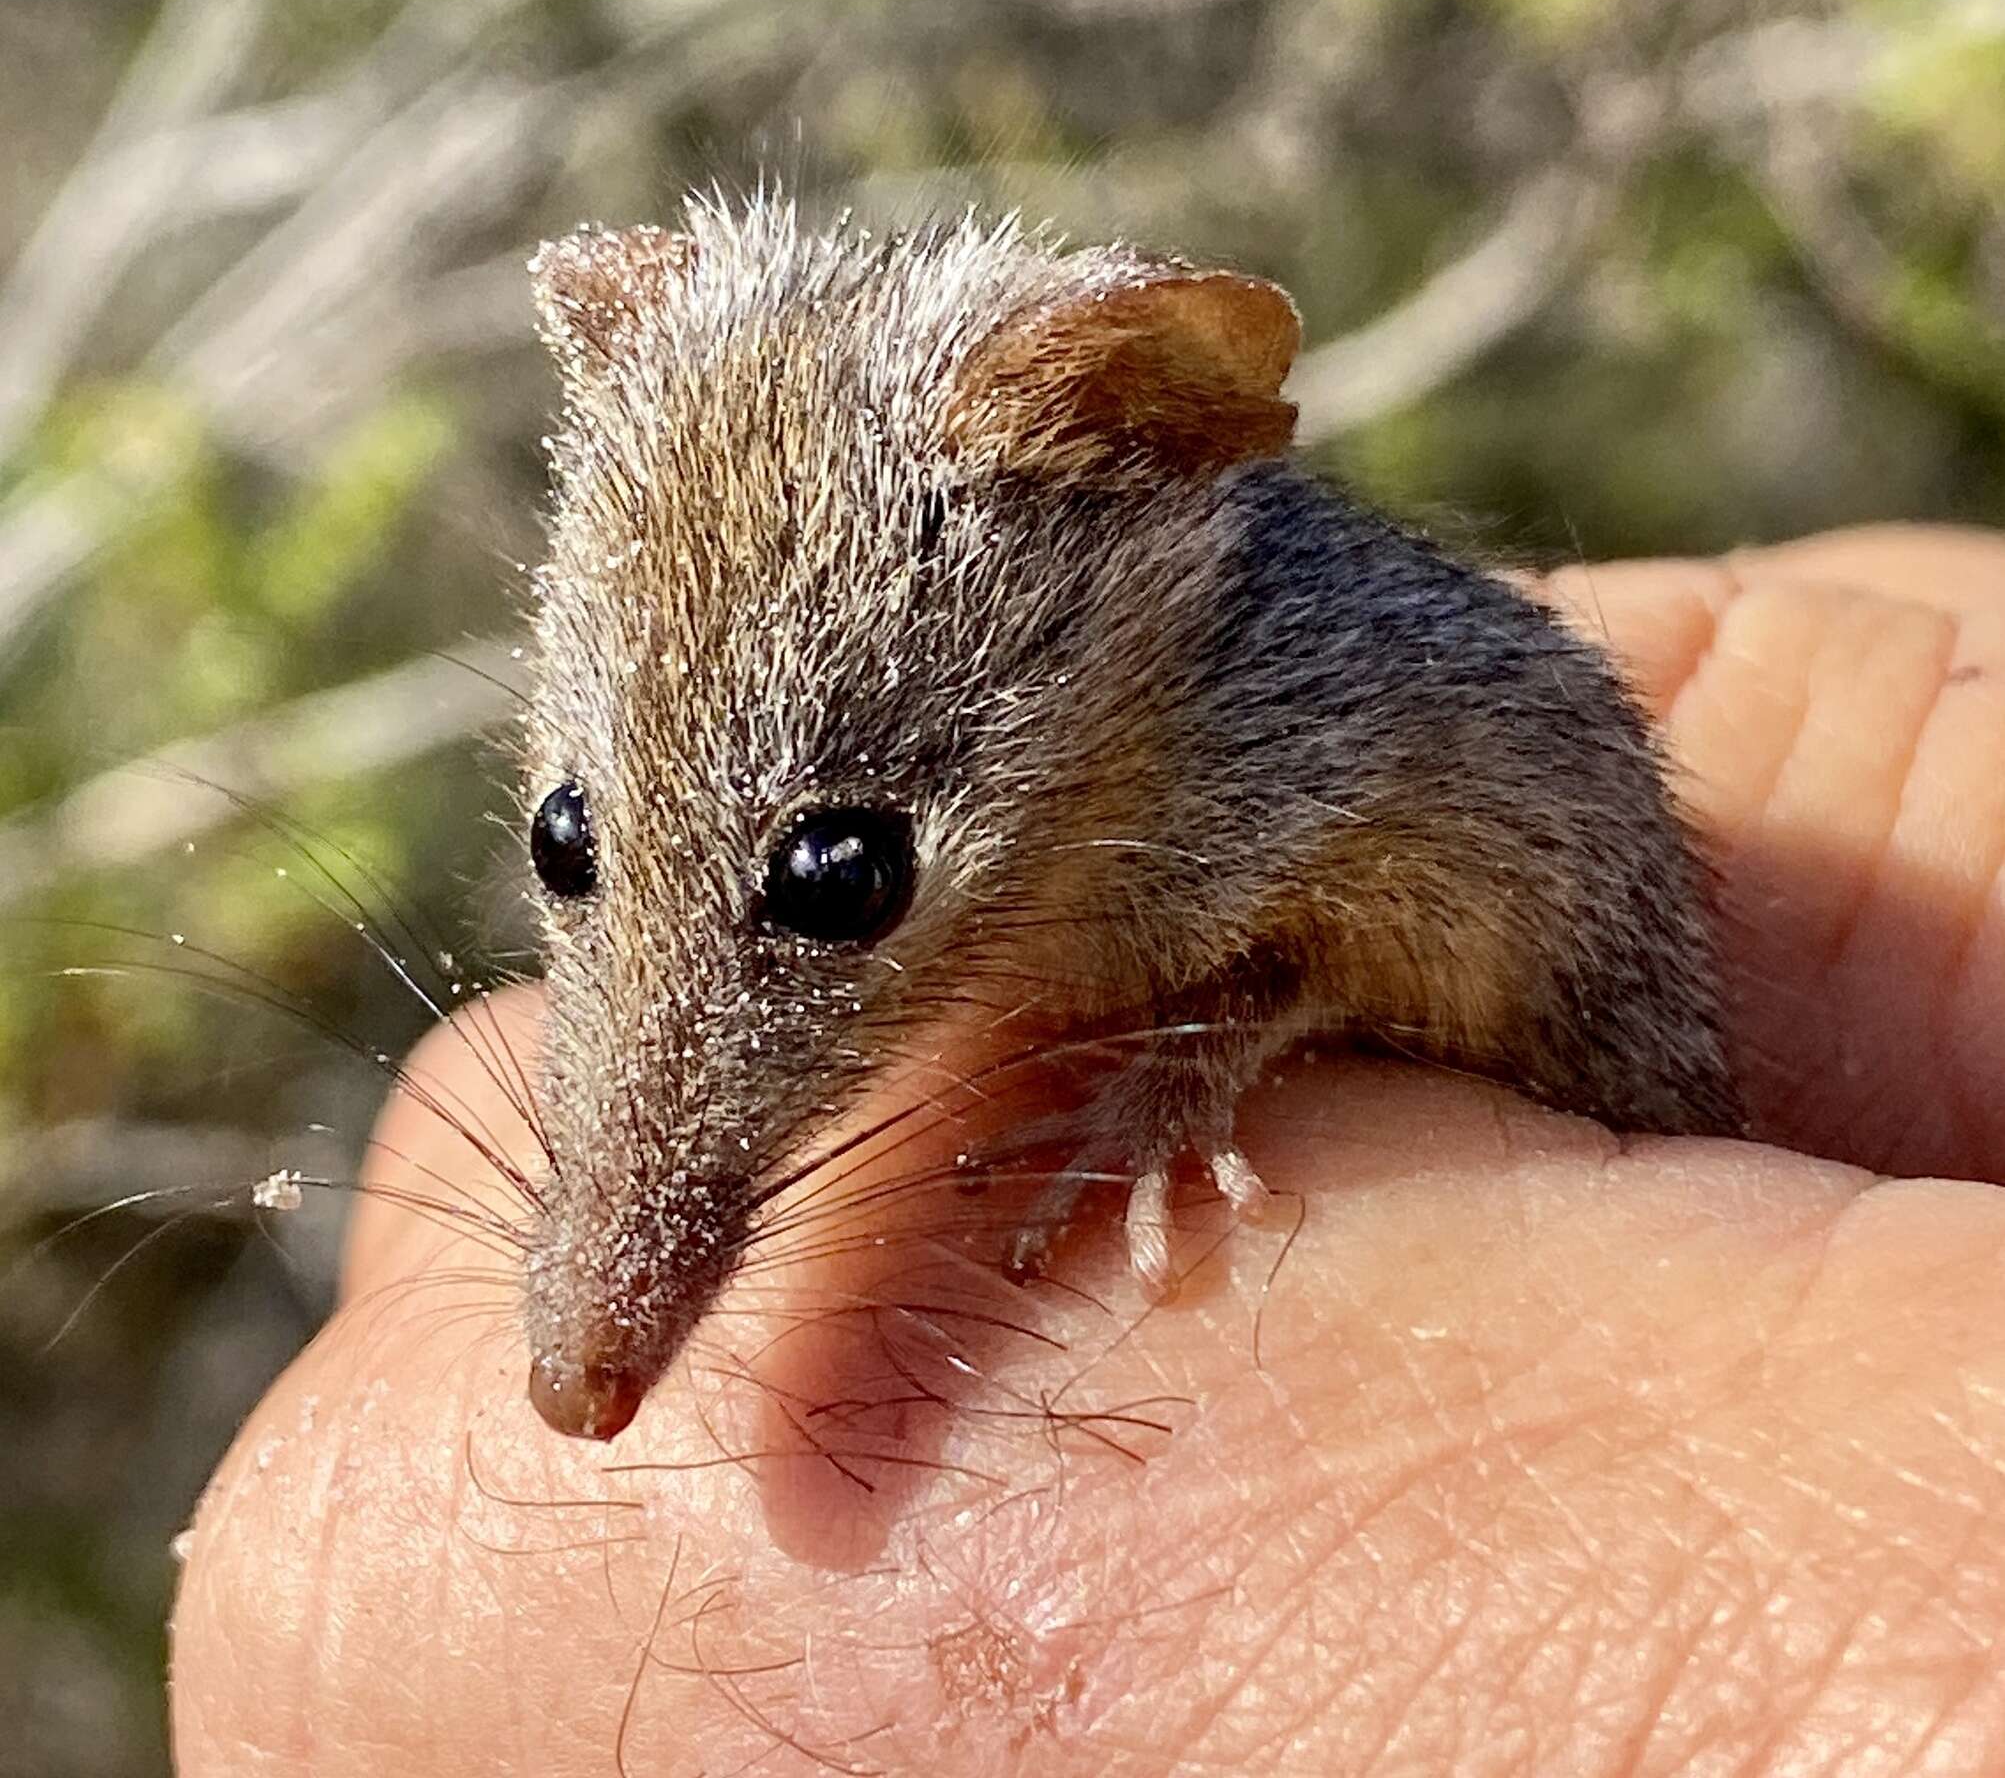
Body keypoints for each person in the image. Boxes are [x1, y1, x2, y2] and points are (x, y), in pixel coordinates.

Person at [171, 525, 2005, 1774]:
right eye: (572, 839)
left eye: (842, 878)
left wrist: (1251, 1010)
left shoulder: (1284, 734)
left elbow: (1469, 831)